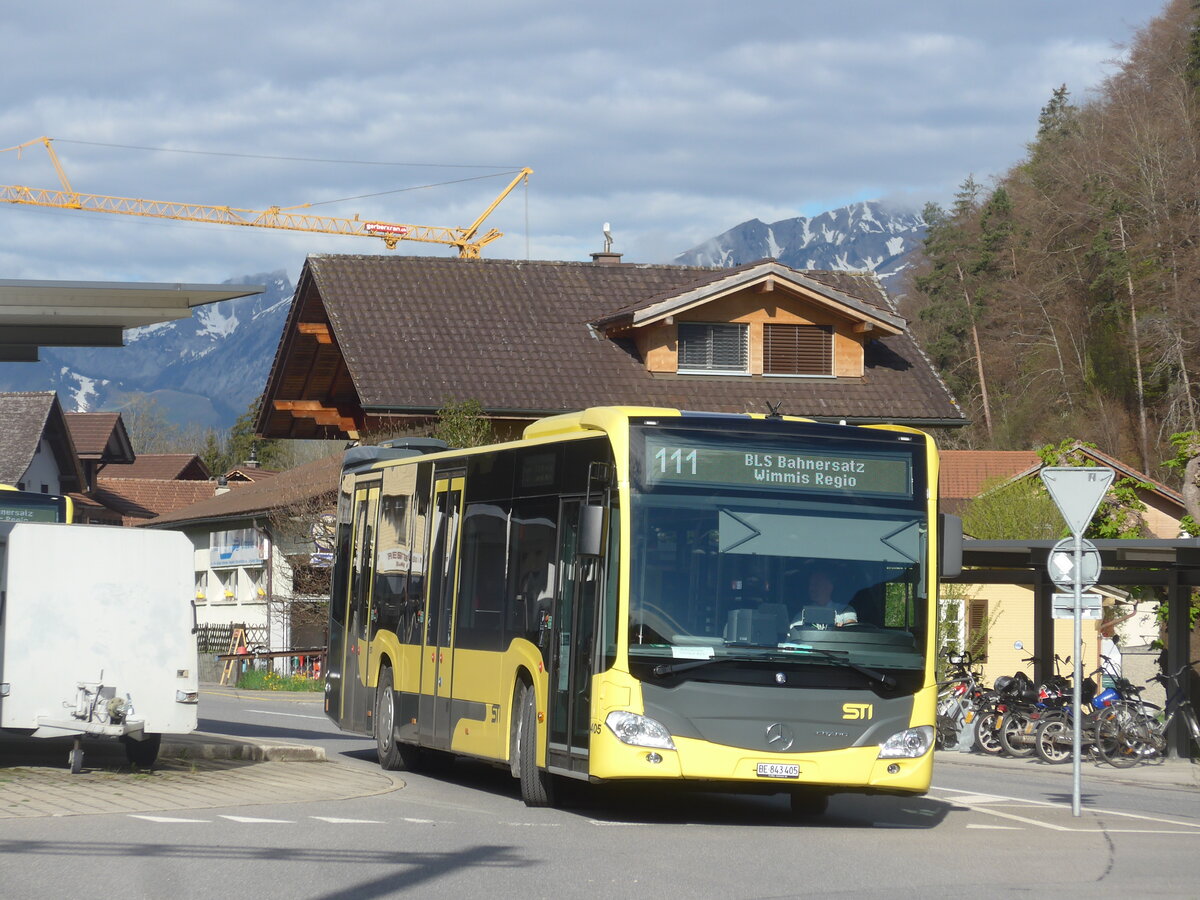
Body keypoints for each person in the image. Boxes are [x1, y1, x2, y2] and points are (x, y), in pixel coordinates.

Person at [793, 566, 857, 629]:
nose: (811, 588)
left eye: (816, 584)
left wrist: (840, 629)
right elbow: (793, 632)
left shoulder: (845, 610)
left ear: (829, 586)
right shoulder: (803, 614)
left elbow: (852, 629)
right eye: (811, 584)